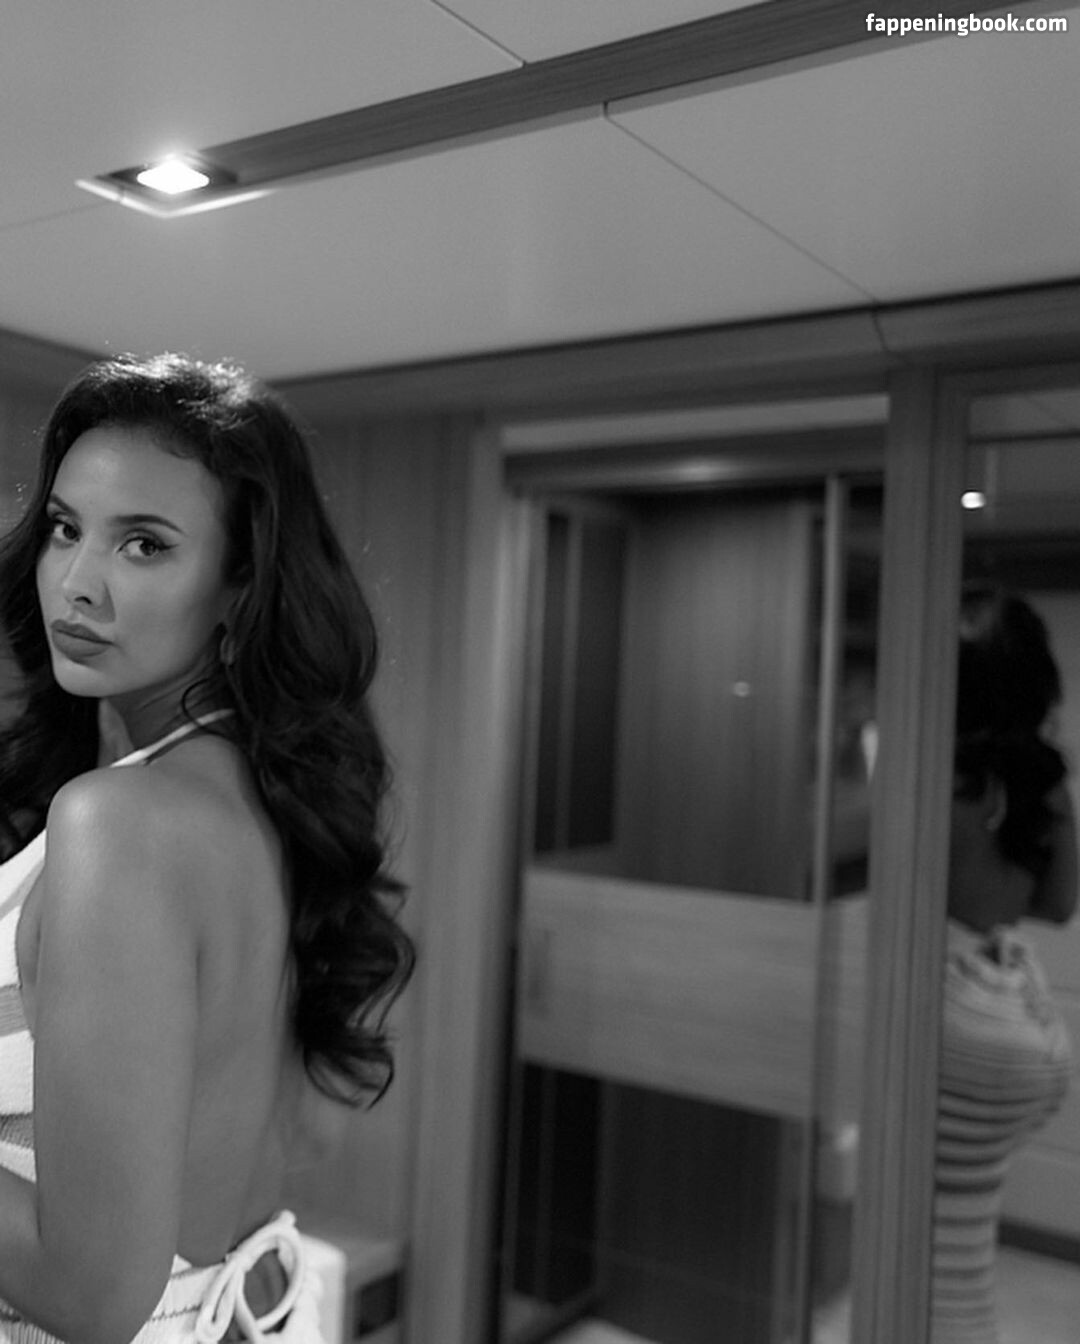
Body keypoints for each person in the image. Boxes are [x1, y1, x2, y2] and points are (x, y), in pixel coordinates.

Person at [0, 353, 414, 1342]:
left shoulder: (120, 822)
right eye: (65, 528)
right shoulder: (266, 802)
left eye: (144, 544)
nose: (77, 585)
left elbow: (93, 1293)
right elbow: (298, 1129)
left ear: (241, 583)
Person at [933, 582, 1077, 1343]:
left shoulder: (933, 776)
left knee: (926, 1238)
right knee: (962, 1232)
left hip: (952, 1017)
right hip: (1016, 1022)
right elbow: (1058, 903)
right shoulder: (1038, 788)